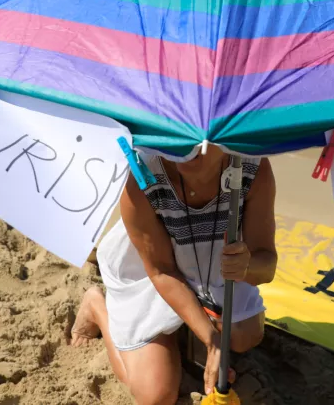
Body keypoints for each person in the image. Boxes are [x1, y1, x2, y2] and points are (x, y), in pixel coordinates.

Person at [70, 146, 277, 404]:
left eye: (201, 138)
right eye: (179, 135)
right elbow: (161, 271)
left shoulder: (252, 167)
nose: (188, 148)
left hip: (210, 268)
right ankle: (97, 306)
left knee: (246, 334)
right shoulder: (142, 175)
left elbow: (266, 263)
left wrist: (247, 266)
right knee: (155, 395)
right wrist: (212, 341)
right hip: (149, 276)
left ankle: (185, 331)